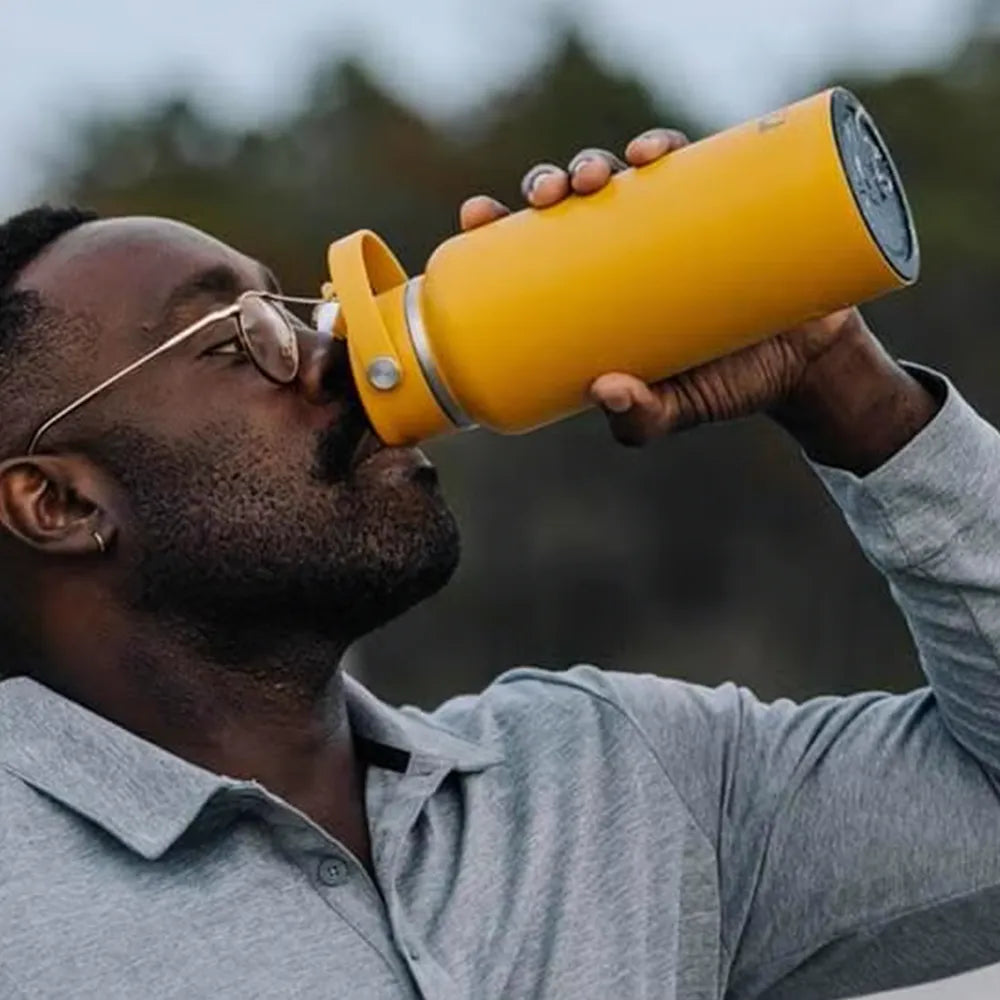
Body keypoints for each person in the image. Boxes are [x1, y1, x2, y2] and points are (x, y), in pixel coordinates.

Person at [0, 125, 996, 1000]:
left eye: (295, 313)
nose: (329, 358)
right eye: (234, 339)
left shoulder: (623, 781)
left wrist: (852, 396)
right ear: (60, 501)